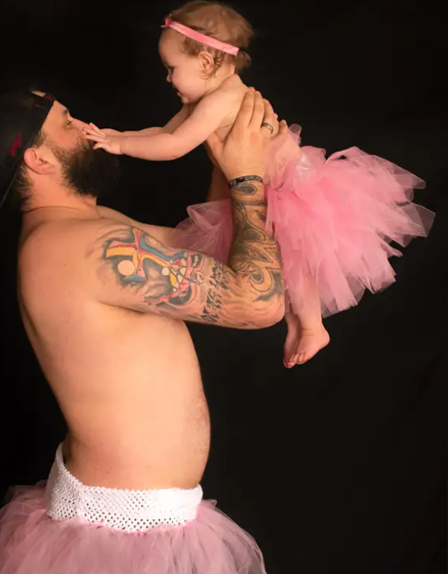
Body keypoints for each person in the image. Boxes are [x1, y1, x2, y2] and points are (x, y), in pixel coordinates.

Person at [0, 88, 293, 574]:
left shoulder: (90, 227)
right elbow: (257, 300)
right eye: (67, 123)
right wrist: (249, 180)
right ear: (38, 160)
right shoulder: (82, 246)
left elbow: (207, 251)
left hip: (143, 526)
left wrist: (225, 157)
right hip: (119, 543)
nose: (88, 125)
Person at [85, 0, 434, 368]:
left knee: (296, 258)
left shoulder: (222, 100)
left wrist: (121, 145)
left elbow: (174, 145)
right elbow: (166, 131)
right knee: (283, 263)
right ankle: (297, 323)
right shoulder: (207, 97)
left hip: (289, 190)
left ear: (205, 63)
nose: (168, 79)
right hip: (267, 188)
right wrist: (117, 135)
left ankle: (314, 327)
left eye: (172, 69)